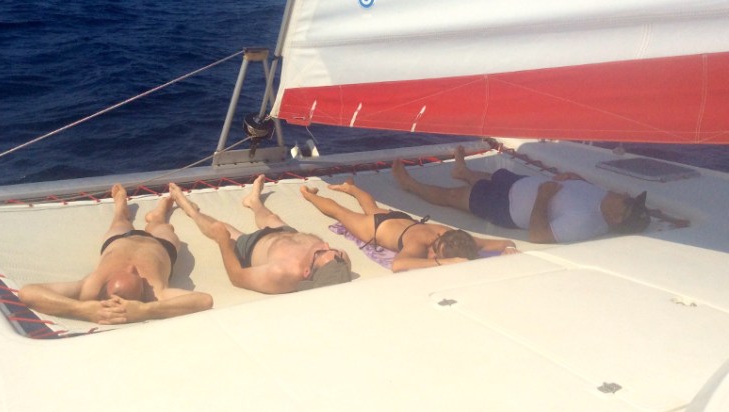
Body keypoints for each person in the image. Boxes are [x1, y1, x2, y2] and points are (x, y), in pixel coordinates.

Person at [19, 184, 213, 325]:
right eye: (136, 275)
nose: (132, 267)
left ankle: (120, 209)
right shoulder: (155, 295)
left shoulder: (90, 287)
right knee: (163, 227)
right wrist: (146, 310)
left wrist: (81, 309)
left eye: (130, 272)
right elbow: (204, 300)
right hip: (160, 245)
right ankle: (158, 217)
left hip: (118, 240)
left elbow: (28, 292)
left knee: (119, 222)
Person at [392, 146, 651, 244]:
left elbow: (538, 235)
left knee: (453, 197)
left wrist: (543, 197)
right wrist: (576, 179)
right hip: (520, 184)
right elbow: (584, 193)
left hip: (506, 207)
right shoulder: (607, 200)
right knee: (491, 177)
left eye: (628, 202)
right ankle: (463, 171)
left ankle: (410, 185)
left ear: (617, 218)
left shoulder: (584, 223)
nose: (626, 195)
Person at [168, 176, 352, 294]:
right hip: (286, 234)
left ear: (306, 272)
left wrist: (224, 242)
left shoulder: (281, 274)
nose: (327, 245)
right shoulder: (340, 263)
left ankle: (191, 211)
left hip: (252, 246)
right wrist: (331, 255)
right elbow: (336, 259)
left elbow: (237, 277)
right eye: (336, 253)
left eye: (321, 252)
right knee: (271, 218)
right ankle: (254, 202)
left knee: (220, 228)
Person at [300, 177, 518, 273]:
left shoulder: (459, 239)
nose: (431, 255)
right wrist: (445, 262)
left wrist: (508, 248)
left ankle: (351, 188)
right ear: (439, 240)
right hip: (376, 228)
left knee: (371, 207)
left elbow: (504, 242)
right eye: (435, 251)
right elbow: (399, 265)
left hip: (400, 220)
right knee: (341, 213)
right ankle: (308, 194)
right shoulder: (419, 244)